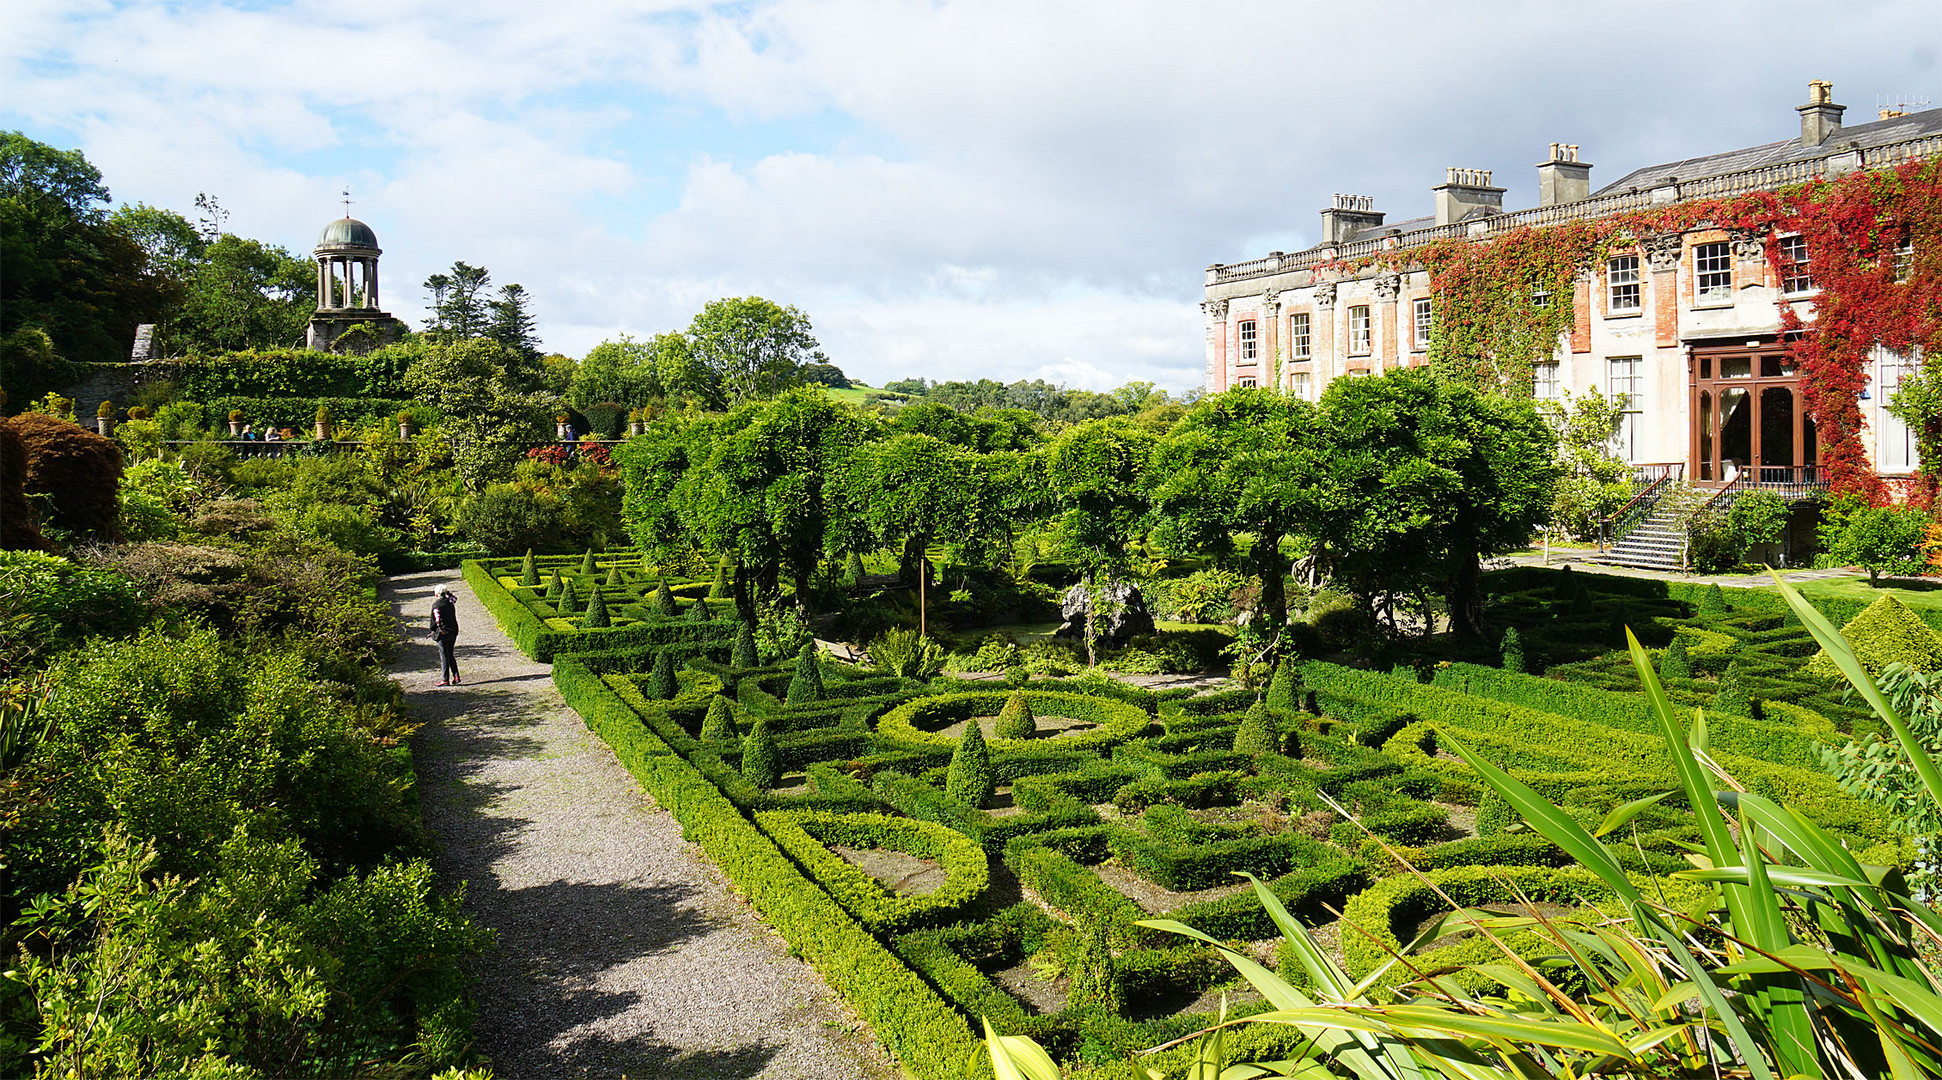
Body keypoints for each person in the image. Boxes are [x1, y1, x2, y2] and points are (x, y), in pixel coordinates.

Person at [431, 583, 461, 686]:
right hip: (453, 631)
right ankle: (456, 676)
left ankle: (445, 679)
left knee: (444, 655)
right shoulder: (450, 602)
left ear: (436, 595)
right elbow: (454, 597)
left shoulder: (436, 605)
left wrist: (440, 630)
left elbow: (438, 620)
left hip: (443, 633)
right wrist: (447, 592)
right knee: (450, 653)